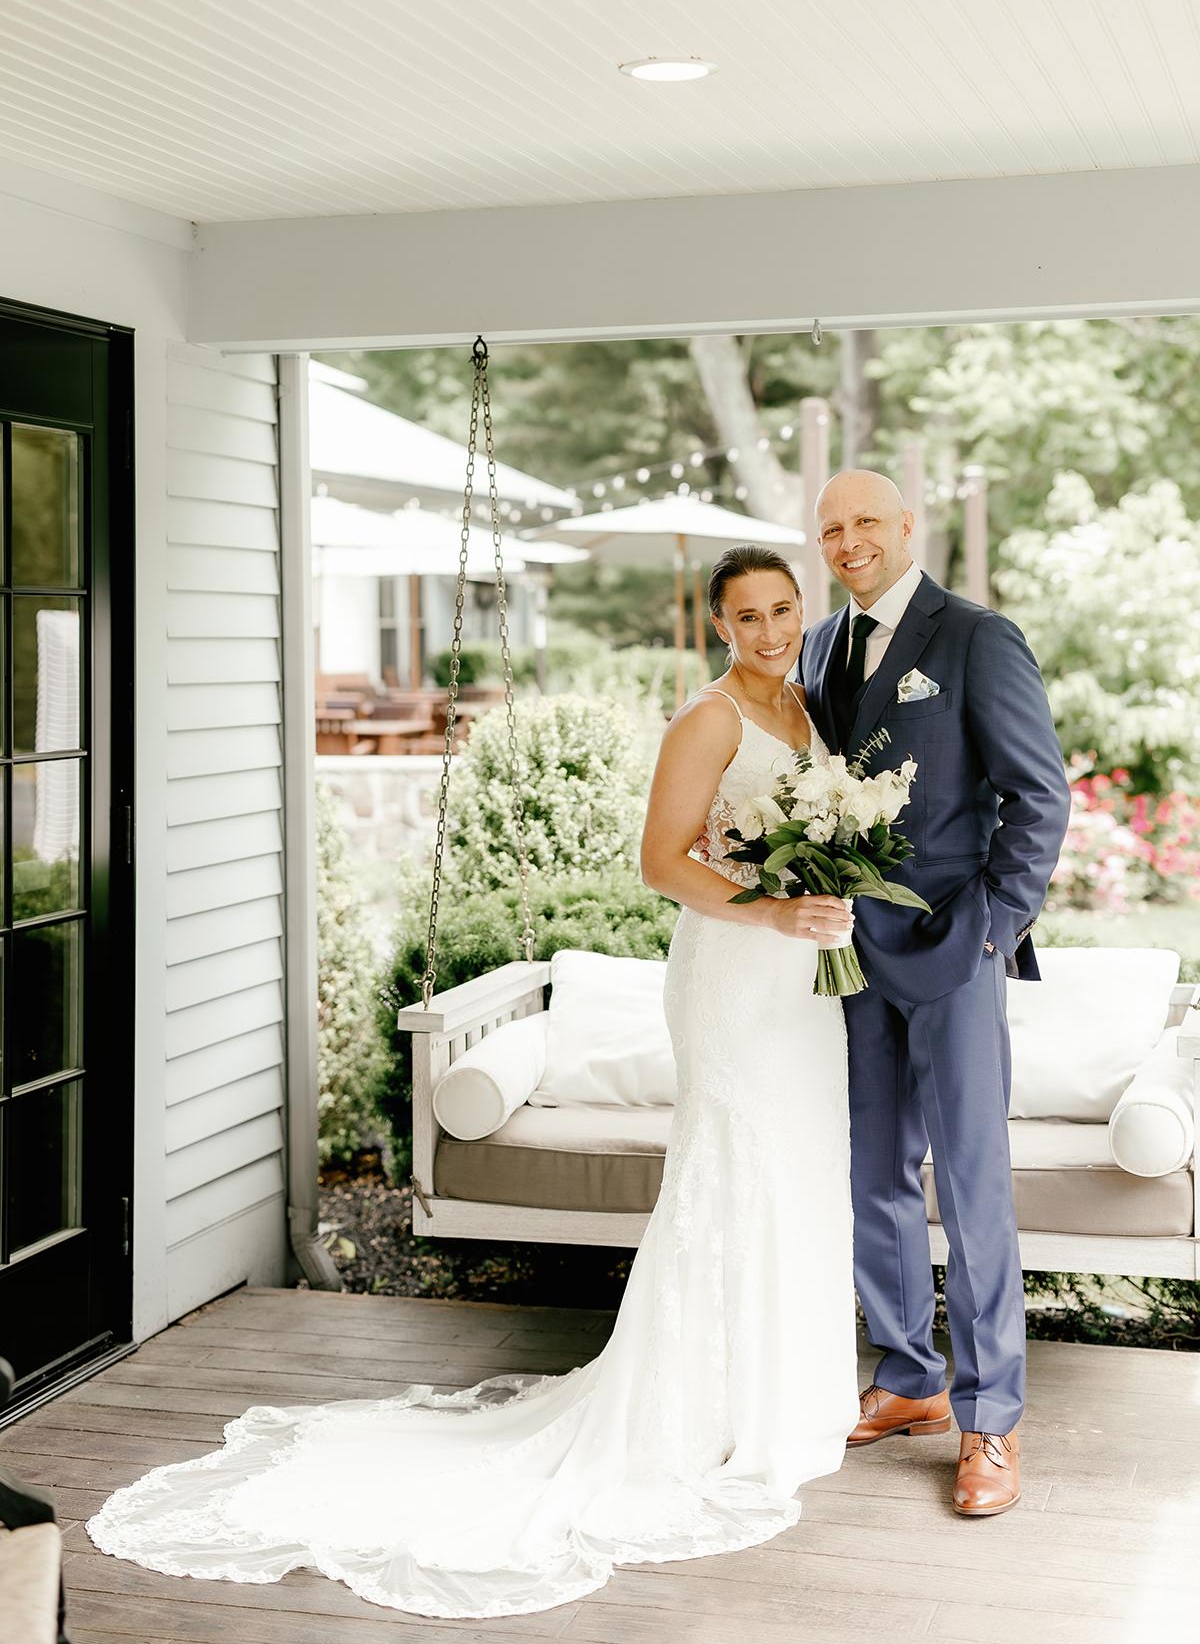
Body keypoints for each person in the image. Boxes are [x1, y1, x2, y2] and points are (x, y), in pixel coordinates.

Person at [84, 544, 859, 1620]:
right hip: (735, 974)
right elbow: (660, 862)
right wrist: (772, 908)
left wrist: (827, 884)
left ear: (801, 611)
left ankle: (790, 1400)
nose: (770, 631)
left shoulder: (813, 709)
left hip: (802, 987)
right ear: (718, 626)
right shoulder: (710, 719)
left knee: (804, 1170)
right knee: (739, 1168)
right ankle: (707, 1414)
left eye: (783, 610)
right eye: (747, 616)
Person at [802, 470, 1070, 1517]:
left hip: (957, 950)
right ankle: (908, 1377)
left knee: (970, 1183)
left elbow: (1038, 797)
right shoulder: (822, 646)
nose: (850, 539)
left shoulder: (975, 637)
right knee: (873, 1167)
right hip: (852, 953)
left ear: (907, 527)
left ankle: (990, 1420)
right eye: (832, 527)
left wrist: (993, 929)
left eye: (867, 520)